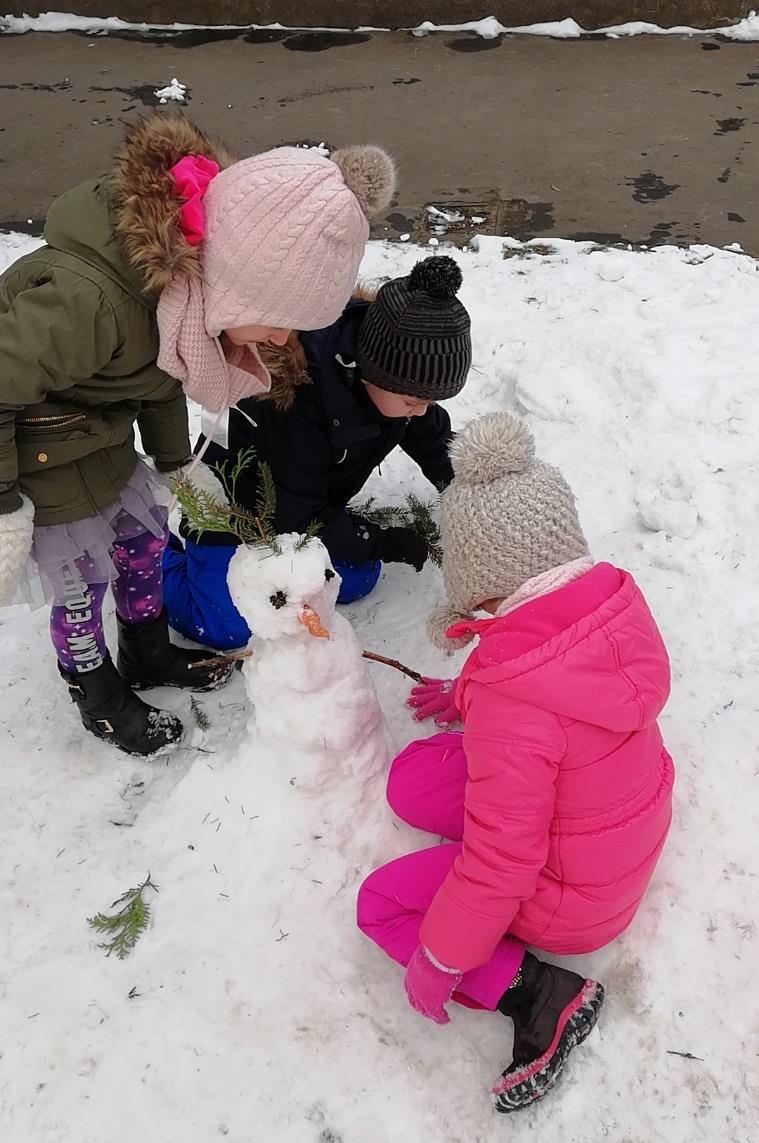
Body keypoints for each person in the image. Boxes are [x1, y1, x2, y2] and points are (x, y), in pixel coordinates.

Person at [0, 112, 395, 755]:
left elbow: (152, 379)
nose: (280, 343)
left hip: (97, 436)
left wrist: (175, 461)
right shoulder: (90, 303)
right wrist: (5, 505)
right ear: (242, 284)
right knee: (80, 581)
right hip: (36, 449)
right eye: (278, 324)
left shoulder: (180, 301)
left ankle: (146, 651)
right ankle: (97, 696)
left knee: (141, 544)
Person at [357, 412, 675, 1112]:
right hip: (617, 822)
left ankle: (538, 994)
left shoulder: (515, 704)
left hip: (571, 894)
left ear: (484, 580)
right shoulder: (606, 606)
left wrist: (440, 961)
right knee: (414, 778)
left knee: (380, 904)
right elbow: (557, 700)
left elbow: (502, 864)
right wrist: (472, 694)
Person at [162, 256, 472, 651]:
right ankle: (157, 561)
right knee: (227, 626)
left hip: (299, 503)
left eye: (431, 401)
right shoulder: (297, 401)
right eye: (414, 400)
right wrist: (382, 541)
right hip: (232, 507)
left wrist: (475, 491)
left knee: (358, 577)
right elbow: (296, 516)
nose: (422, 410)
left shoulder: (396, 387)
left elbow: (434, 442)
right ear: (371, 372)